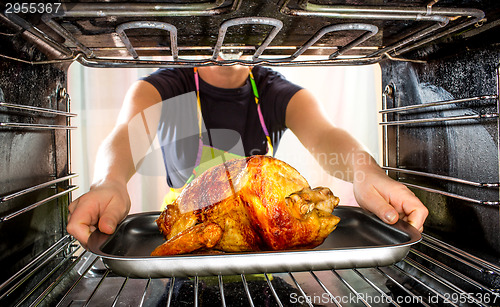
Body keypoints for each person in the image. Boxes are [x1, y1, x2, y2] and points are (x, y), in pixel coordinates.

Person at [67, 64, 428, 247]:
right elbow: (125, 135)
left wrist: (367, 173)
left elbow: (327, 136)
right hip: (191, 243)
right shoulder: (163, 87)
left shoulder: (275, 92)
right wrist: (109, 181)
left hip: (264, 249)